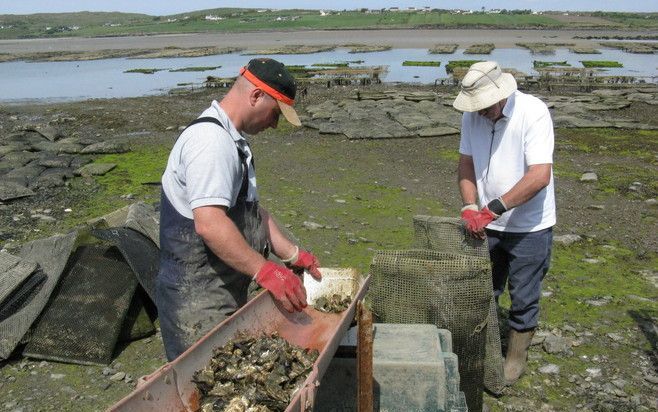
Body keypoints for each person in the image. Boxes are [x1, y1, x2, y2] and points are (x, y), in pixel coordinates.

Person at [157, 58, 323, 361]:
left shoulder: (233, 141)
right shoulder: (211, 142)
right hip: (196, 299)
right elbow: (209, 223)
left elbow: (252, 214)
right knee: (204, 384)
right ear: (256, 95)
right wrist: (264, 270)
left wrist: (292, 254)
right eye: (275, 113)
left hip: (222, 290)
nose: (274, 124)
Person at [453, 61, 556, 385]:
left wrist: (494, 207)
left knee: (524, 295)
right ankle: (483, 349)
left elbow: (539, 175)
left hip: (530, 226)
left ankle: (515, 357)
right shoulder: (471, 117)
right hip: (487, 226)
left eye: (484, 105)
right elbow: (466, 165)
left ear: (502, 95)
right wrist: (471, 204)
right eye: (475, 106)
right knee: (485, 290)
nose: (479, 112)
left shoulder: (533, 112)